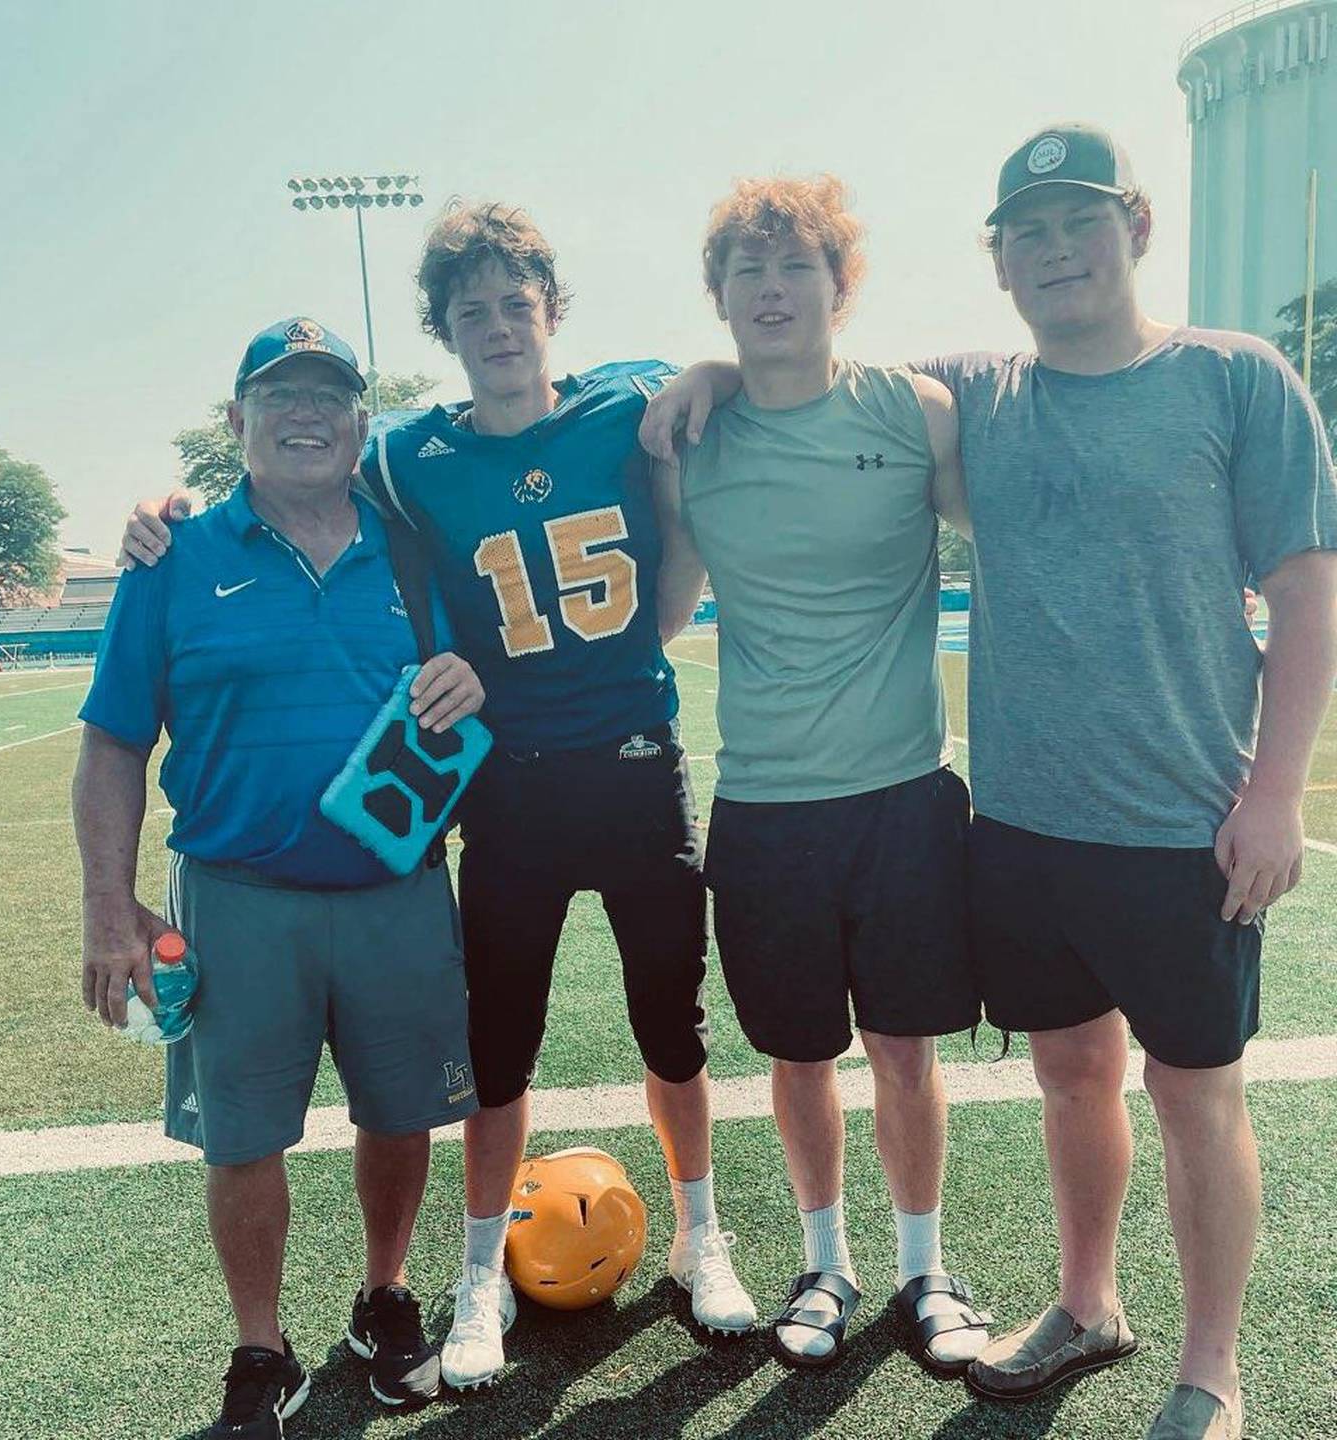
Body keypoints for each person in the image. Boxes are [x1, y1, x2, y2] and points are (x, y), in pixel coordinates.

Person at [649, 125, 1337, 1440]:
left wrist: (1273, 794)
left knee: (1195, 1087)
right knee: (1073, 1072)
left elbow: (1310, 593)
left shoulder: (1236, 378)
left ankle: (1213, 1370)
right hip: (1017, 822)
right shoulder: (968, 391)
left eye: (1080, 221)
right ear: (998, 260)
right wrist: (708, 365)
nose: (1055, 248)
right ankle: (1088, 1304)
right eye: (1028, 230)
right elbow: (801, 369)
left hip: (1183, 816)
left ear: (1135, 227)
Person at [118, 208, 757, 1395]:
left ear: (551, 313)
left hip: (633, 756)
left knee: (673, 1021)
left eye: (517, 305)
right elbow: (287, 464)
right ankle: (472, 1282)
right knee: (496, 1050)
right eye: (472, 312)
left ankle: (698, 1235)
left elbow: (724, 389)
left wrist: (717, 364)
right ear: (444, 331)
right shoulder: (404, 452)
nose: (499, 327)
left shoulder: (635, 400)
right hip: (504, 783)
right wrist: (164, 510)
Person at [75, 318, 486, 1434]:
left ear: (361, 422)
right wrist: (107, 906)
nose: (305, 415)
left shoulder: (414, 550)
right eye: (279, 395)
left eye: (329, 397)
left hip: (398, 891)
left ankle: (384, 1297)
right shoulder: (175, 558)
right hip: (237, 897)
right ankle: (261, 1350)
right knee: (242, 1135)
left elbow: (470, 682)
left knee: (400, 1116)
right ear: (237, 419)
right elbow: (114, 742)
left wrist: (465, 679)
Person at [637, 176, 992, 1373]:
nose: (772, 290)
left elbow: (1016, 540)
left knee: (904, 1049)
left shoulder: (919, 413)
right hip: (768, 806)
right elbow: (662, 602)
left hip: (902, 799)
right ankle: (826, 1262)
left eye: (796, 267)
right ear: (718, 297)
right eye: (748, 271)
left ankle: (922, 1268)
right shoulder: (690, 439)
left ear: (845, 285)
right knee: (798, 1055)